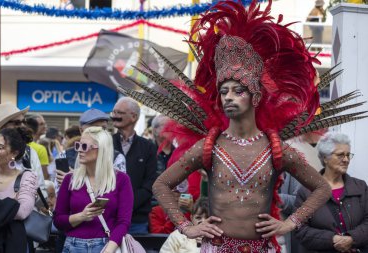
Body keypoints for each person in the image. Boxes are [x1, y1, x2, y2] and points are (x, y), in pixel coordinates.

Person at [146, 1, 334, 252]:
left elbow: (322, 188)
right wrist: (187, 227)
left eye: (238, 90)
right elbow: (161, 185)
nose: (229, 97)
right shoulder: (209, 147)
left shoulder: (275, 148)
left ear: (255, 97)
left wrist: (289, 223)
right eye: (224, 91)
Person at [54, 126, 133, 253]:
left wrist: (109, 250)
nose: (79, 150)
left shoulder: (121, 180)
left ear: (101, 150)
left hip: (107, 245)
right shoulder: (70, 179)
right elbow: (58, 220)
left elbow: (123, 222)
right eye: (78, 145)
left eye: (84, 146)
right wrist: (82, 216)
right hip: (73, 245)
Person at [295, 132, 368, 253]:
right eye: (340, 155)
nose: (346, 160)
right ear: (325, 158)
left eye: (348, 155)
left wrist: (352, 239)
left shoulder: (360, 187)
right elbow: (300, 229)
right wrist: (332, 239)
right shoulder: (307, 191)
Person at [111, 97, 158, 234]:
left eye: (120, 113)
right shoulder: (106, 143)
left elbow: (150, 182)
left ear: (133, 117)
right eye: (114, 112)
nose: (115, 116)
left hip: (136, 220)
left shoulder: (148, 147)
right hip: (109, 217)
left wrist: (128, 204)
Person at [0, 127, 38, 253]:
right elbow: (15, 209)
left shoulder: (27, 177)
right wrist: (10, 203)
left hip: (13, 243)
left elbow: (22, 212)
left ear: (14, 153)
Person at [0, 102, 46, 197]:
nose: (23, 126)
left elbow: (41, 191)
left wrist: (27, 198)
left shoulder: (30, 153)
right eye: (17, 123)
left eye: (24, 121)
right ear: (2, 127)